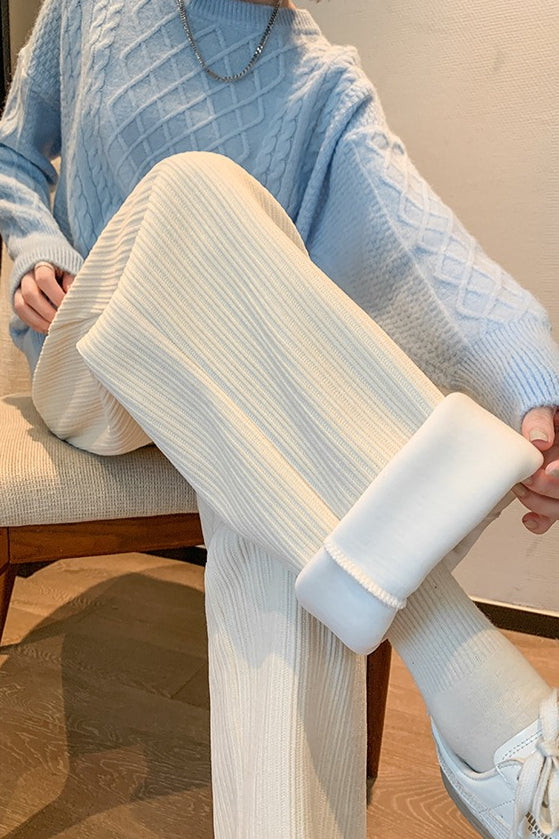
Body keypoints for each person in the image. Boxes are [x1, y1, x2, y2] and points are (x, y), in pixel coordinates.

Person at [0, 0, 558, 836]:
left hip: (225, 391)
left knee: (277, 500)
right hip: (90, 366)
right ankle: (487, 702)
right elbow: (12, 150)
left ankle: (495, 753)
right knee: (196, 186)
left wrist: (536, 384)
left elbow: (428, 250)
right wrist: (37, 247)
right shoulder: (91, 7)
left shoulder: (320, 82)